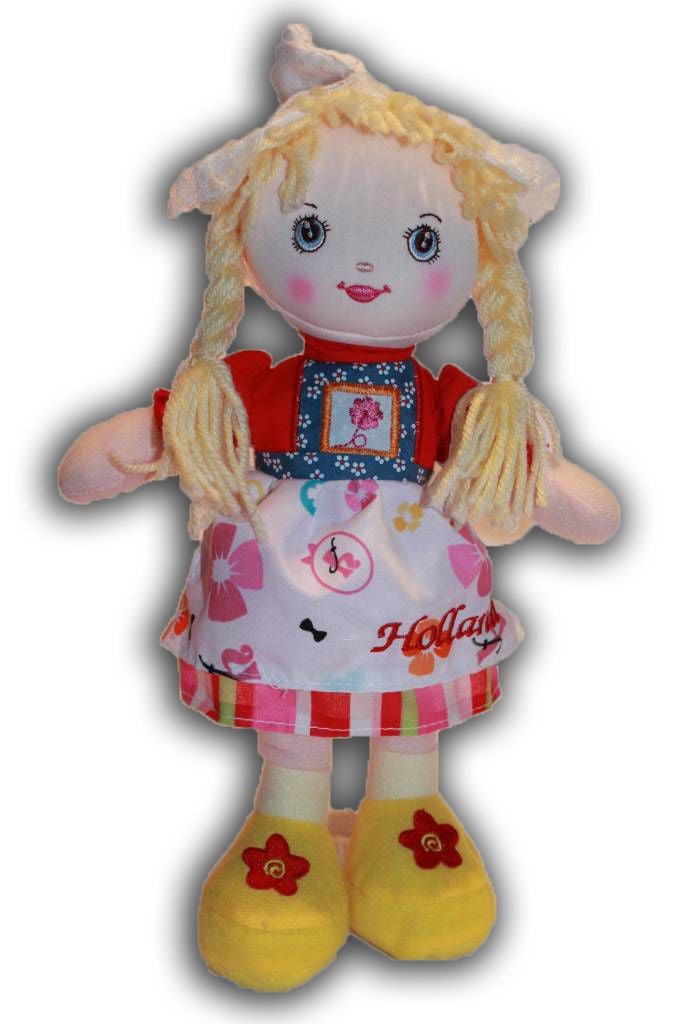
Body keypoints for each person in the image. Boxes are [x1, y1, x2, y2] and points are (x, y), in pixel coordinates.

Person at [59, 24, 619, 992]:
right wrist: (137, 445)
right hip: (289, 599)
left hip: (413, 607)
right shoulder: (258, 383)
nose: (365, 274)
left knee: (407, 723)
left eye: (420, 243)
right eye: (311, 234)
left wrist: (552, 489)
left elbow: (520, 471)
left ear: (474, 257)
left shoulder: (454, 405)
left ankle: (405, 820)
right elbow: (192, 425)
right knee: (298, 727)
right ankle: (290, 833)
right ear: (252, 242)